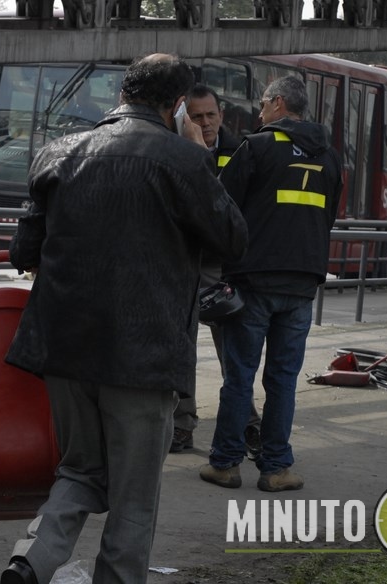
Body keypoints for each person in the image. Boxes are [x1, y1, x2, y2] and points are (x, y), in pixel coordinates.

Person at [1, 54, 248, 584]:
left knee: (80, 471)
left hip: (64, 348)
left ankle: (30, 562)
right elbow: (233, 238)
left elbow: (25, 248)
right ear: (178, 105)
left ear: (122, 94)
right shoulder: (185, 160)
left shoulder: (58, 153)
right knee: (135, 494)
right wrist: (201, 151)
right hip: (145, 354)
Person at [199, 75, 343, 492]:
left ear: (279, 104)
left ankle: (225, 464)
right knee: (282, 378)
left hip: (255, 280)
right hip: (302, 283)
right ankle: (276, 467)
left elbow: (223, 209)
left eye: (263, 105)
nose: (260, 113)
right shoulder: (330, 158)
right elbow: (328, 216)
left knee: (240, 376)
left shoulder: (257, 147)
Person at [170, 83, 262, 457]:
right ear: (182, 118)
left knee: (233, 351)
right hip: (181, 262)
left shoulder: (241, 151)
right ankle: (181, 426)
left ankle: (248, 423)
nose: (205, 123)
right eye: (196, 116)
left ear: (222, 116)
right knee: (182, 347)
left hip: (222, 267)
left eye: (211, 115)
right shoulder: (171, 149)